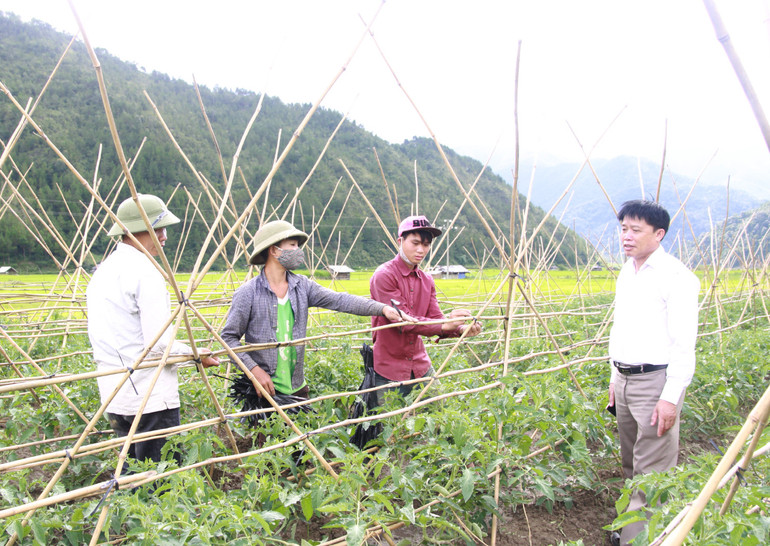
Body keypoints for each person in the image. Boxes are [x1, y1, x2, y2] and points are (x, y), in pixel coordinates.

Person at [87, 194, 220, 464]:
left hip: (115, 392)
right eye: (158, 228)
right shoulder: (146, 272)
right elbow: (158, 344)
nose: (164, 236)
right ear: (137, 230)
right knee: (160, 481)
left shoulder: (103, 272)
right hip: (150, 397)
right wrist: (195, 353)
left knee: (131, 478)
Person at [221, 220, 408, 402]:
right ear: (273, 250)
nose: (298, 250)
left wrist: (382, 308)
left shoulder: (302, 286)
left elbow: (340, 300)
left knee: (303, 433)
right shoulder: (248, 293)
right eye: (292, 245)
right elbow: (229, 338)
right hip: (263, 389)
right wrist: (254, 370)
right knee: (266, 434)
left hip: (297, 388)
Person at [607, 200, 699, 546]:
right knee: (631, 463)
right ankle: (628, 531)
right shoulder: (627, 271)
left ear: (659, 234)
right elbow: (621, 329)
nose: (626, 237)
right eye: (623, 228)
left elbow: (683, 344)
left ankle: (638, 541)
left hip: (655, 382)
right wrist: (615, 378)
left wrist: (670, 398)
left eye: (635, 230)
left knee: (653, 472)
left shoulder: (677, 277)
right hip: (626, 378)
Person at [369, 215, 482, 405]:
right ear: (400, 241)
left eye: (426, 245)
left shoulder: (427, 280)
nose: (421, 250)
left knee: (440, 415)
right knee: (385, 426)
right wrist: (445, 325)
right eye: (415, 243)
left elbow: (436, 319)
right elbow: (404, 322)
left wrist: (461, 330)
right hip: (389, 368)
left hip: (420, 364)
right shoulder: (384, 275)